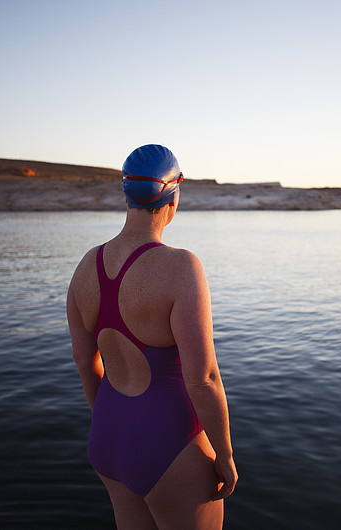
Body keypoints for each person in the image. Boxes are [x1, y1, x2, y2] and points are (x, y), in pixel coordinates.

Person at [67, 144, 237, 529]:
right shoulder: (180, 267)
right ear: (173, 193)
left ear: (126, 193)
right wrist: (225, 455)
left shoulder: (86, 266)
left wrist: (112, 423)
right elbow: (204, 379)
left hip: (107, 437)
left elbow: (84, 362)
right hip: (168, 445)